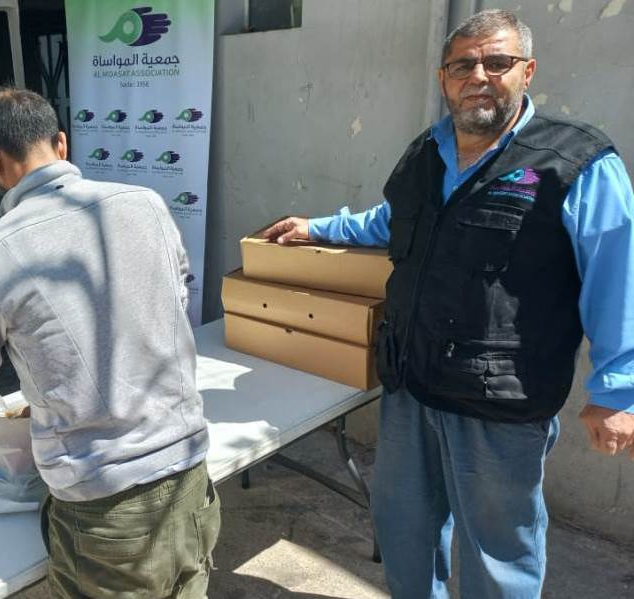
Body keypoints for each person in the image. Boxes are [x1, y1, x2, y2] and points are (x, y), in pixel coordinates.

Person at [264, 9, 634, 599]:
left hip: (499, 402)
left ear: (528, 71)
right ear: (444, 79)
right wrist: (320, 227)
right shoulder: (427, 152)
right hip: (411, 385)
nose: (478, 76)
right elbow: (393, 221)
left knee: (499, 553)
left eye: (497, 62)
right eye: (462, 65)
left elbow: (617, 274)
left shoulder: (575, 161)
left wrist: (616, 391)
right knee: (405, 531)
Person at [0, 86, 219, 597]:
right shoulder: (147, 205)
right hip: (191, 478)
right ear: (61, 143)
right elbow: (168, 305)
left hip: (106, 511)